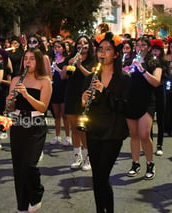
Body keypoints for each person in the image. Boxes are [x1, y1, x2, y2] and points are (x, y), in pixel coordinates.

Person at [83, 32, 131, 213]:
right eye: (100, 49)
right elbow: (85, 106)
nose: (102, 53)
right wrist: (83, 100)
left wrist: (104, 92)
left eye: (108, 49)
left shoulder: (124, 78)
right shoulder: (90, 77)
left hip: (113, 131)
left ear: (116, 54)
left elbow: (124, 107)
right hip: (94, 129)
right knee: (97, 177)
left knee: (102, 176)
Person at [8, 48, 52, 213]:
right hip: (18, 122)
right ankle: (22, 206)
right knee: (18, 166)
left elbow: (43, 107)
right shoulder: (16, 79)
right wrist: (10, 101)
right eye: (25, 58)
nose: (27, 62)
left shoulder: (44, 81)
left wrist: (26, 95)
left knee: (29, 165)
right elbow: (12, 106)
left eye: (32, 59)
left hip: (35, 123)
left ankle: (36, 193)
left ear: (38, 62)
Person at [126, 36, 162, 180]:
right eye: (138, 45)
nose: (140, 48)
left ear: (148, 47)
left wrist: (142, 70)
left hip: (147, 102)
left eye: (143, 45)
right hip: (131, 100)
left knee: (144, 135)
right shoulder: (130, 61)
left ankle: (150, 163)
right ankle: (135, 163)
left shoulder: (154, 63)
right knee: (133, 134)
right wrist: (127, 71)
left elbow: (156, 82)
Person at [64, 35, 96, 171]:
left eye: (85, 43)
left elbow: (91, 76)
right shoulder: (70, 58)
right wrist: (70, 65)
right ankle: (77, 156)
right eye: (79, 43)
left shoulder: (93, 60)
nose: (81, 45)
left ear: (89, 45)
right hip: (71, 94)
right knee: (74, 128)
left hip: (85, 95)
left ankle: (89, 158)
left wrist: (79, 66)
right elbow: (63, 76)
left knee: (83, 128)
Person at [150, 39, 170, 156]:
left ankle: (159, 144)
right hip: (151, 92)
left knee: (160, 118)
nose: (155, 52)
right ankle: (150, 142)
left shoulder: (164, 62)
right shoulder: (149, 61)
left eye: (157, 50)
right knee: (150, 118)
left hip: (160, 91)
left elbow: (168, 76)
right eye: (153, 49)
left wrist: (161, 74)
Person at [49, 40, 71, 146]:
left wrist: (56, 68)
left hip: (64, 88)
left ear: (63, 48)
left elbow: (65, 75)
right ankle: (57, 136)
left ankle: (68, 136)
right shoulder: (52, 60)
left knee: (64, 115)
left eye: (59, 47)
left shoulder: (66, 60)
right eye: (55, 47)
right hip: (54, 88)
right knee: (56, 115)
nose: (56, 49)